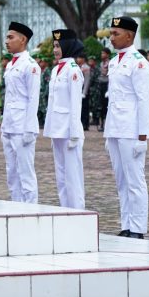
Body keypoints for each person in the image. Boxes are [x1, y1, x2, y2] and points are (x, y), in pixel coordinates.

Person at [104, 16, 149, 239]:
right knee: (121, 180)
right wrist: (108, 132)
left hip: (131, 129)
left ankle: (138, 228)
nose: (111, 38)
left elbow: (143, 100)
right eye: (111, 34)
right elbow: (113, 99)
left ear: (129, 36)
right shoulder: (114, 62)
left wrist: (142, 136)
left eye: (116, 34)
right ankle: (126, 224)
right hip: (115, 127)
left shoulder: (139, 63)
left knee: (135, 180)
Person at [44, 29, 85, 209]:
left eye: (58, 46)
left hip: (69, 131)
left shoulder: (73, 71)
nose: (55, 50)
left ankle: (78, 213)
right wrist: (50, 130)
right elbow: (52, 102)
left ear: (67, 46)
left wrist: (74, 133)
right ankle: (65, 210)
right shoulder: (56, 70)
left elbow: (76, 104)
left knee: (73, 176)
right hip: (57, 130)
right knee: (61, 176)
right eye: (54, 46)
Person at [0, 21, 41, 204]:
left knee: (26, 173)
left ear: (23, 40)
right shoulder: (10, 65)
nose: (6, 41)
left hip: (22, 127)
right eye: (7, 37)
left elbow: (33, 99)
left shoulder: (30, 66)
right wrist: (3, 126)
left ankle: (31, 210)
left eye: (11, 37)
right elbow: (9, 97)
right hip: (9, 125)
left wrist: (30, 129)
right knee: (12, 173)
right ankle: (16, 208)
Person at [76, 51, 91, 130]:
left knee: (85, 108)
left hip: (84, 90)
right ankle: (81, 123)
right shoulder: (77, 67)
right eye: (77, 58)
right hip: (78, 89)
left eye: (79, 58)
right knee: (79, 108)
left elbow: (87, 80)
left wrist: (84, 92)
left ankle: (85, 124)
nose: (78, 59)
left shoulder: (86, 68)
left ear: (83, 59)